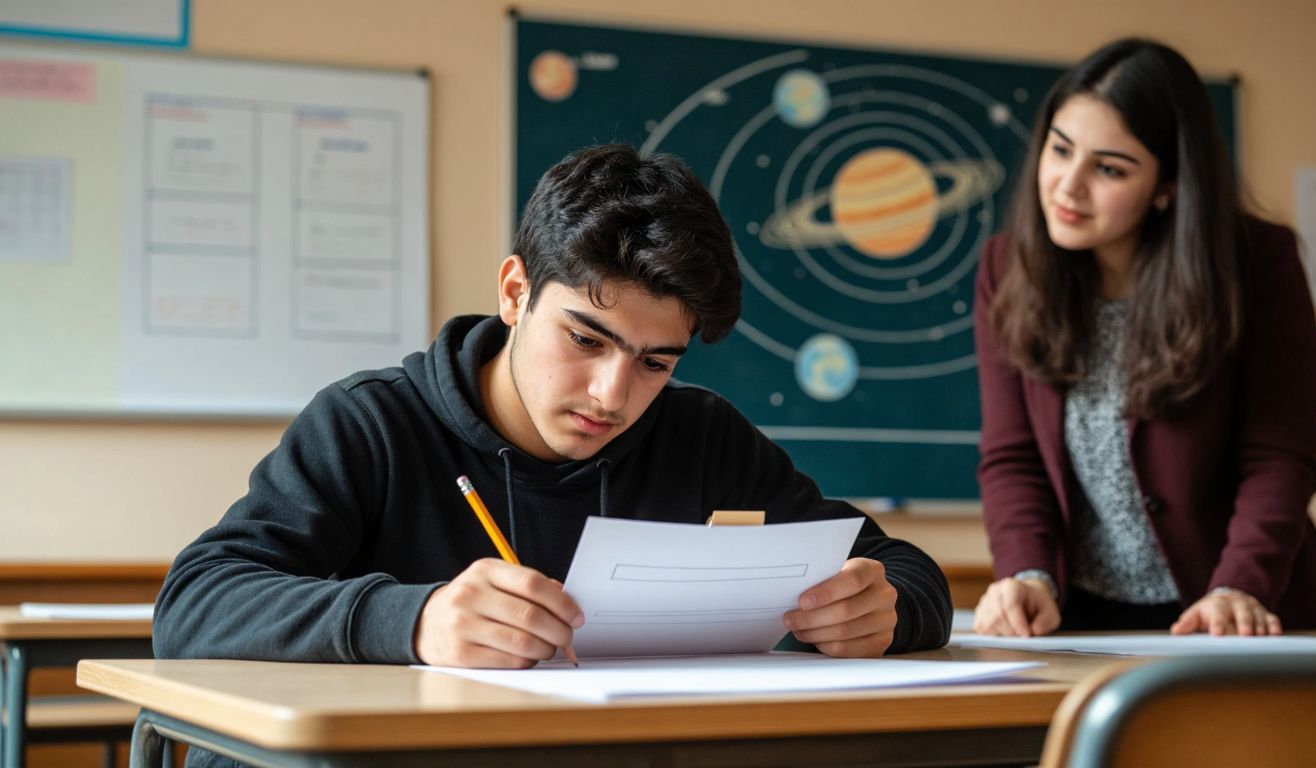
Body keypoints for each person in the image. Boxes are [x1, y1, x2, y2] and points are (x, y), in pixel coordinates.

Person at [155, 144, 952, 678]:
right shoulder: (371, 425)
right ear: (513, 293)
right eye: (586, 338)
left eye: (655, 362)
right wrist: (414, 620)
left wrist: (888, 610)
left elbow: (906, 572)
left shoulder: (701, 437)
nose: (613, 394)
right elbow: (194, 603)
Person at [972, 39, 1316, 638]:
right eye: (1060, 150)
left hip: (1238, 608)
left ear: (1168, 185)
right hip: (1080, 617)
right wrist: (1028, 572)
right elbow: (1012, 457)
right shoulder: (1005, 268)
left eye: (1110, 168)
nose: (1068, 186)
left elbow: (1278, 458)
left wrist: (1238, 586)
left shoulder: (1258, 266)